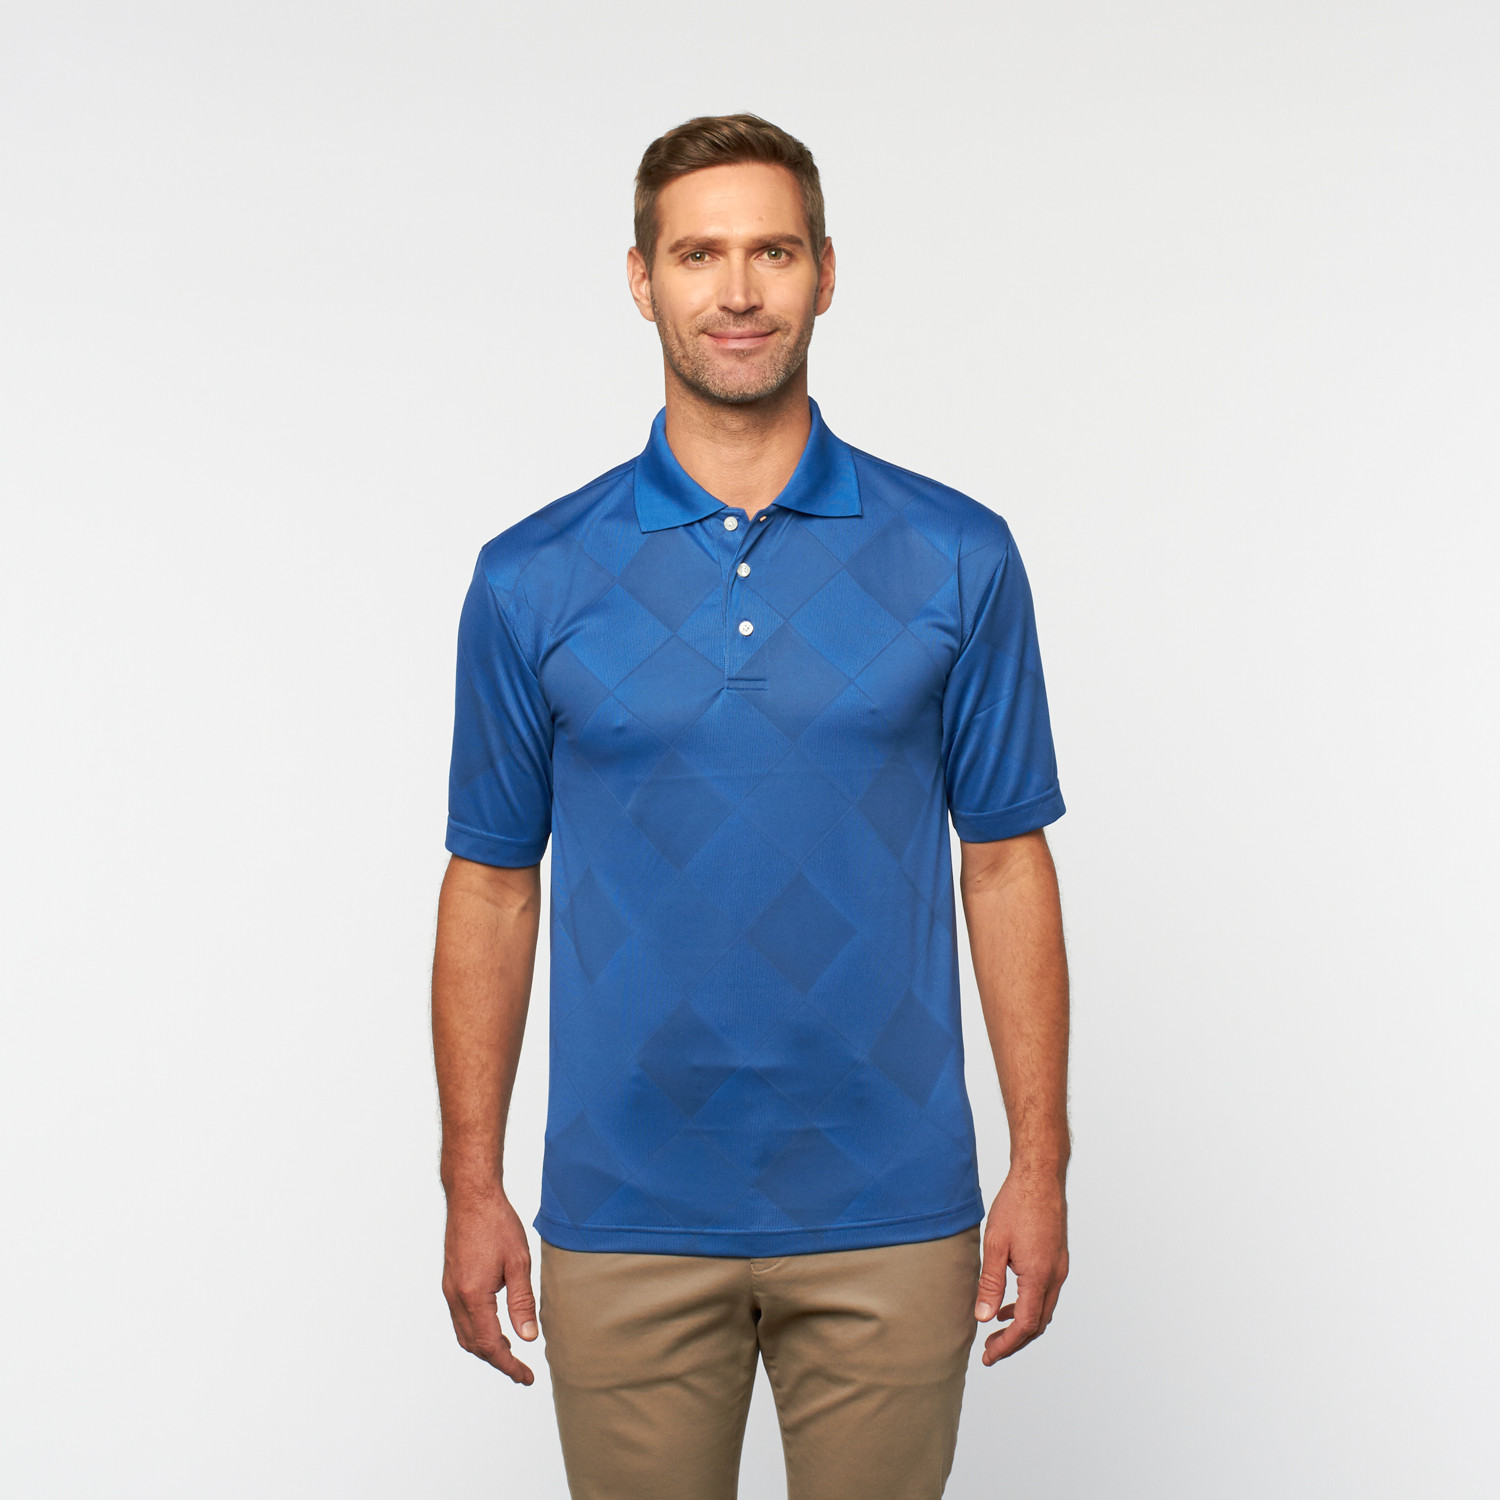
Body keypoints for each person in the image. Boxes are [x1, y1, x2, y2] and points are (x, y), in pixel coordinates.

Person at [431, 112, 1071, 1500]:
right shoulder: (530, 577)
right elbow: (491, 884)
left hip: (893, 1213)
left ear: (826, 273)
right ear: (640, 279)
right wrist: (470, 1185)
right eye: (698, 254)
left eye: (772, 252)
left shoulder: (958, 556)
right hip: (623, 1215)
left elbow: (1005, 864)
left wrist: (1042, 1163)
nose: (737, 291)